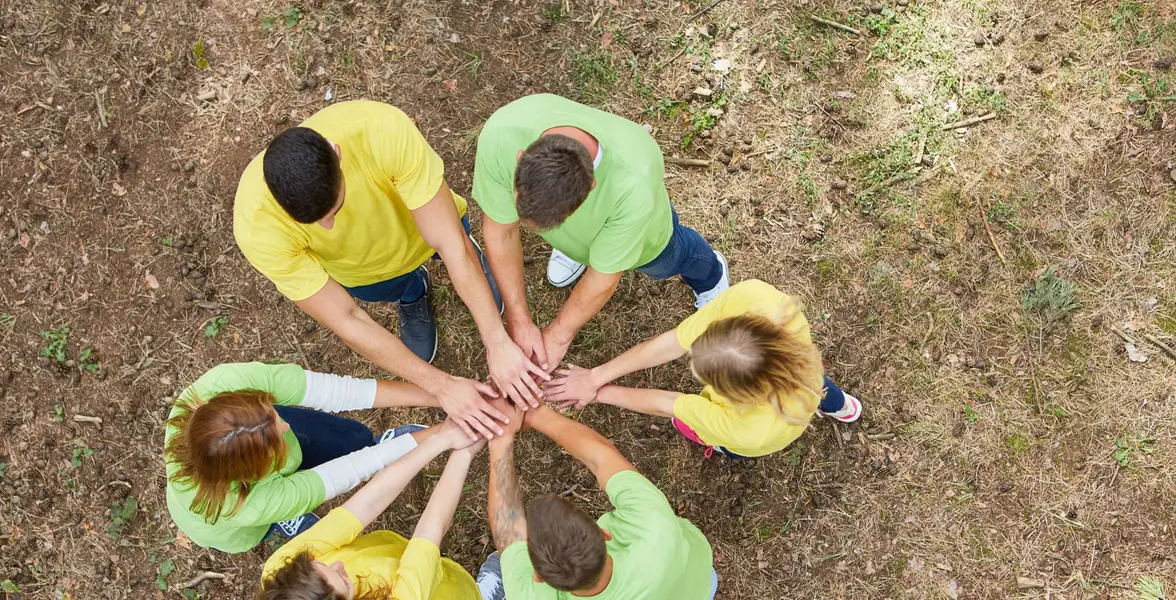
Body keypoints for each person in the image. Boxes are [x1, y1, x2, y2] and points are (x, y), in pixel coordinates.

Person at [234, 101, 548, 440]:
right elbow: (347, 318)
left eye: (335, 209)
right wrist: (440, 386)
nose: (328, 228)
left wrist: (497, 340)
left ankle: (472, 276)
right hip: (366, 274)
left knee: (463, 251)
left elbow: (450, 245)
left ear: (337, 154)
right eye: (314, 222)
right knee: (397, 286)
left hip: (426, 234)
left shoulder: (381, 130)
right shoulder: (256, 227)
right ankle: (413, 292)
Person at [473, 93, 731, 373]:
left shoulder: (633, 188)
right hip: (596, 219)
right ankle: (578, 249)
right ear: (521, 158)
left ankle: (711, 274)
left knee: (669, 259)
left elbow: (603, 278)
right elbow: (501, 233)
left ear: (591, 188)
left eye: (558, 222)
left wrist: (559, 335)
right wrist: (520, 320)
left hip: (648, 236)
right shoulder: (501, 134)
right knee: (589, 246)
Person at [251, 421, 505, 600]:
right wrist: (463, 453)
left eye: (321, 567)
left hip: (398, 559)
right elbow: (429, 533)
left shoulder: (282, 567)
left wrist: (442, 439)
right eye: (344, 584)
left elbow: (366, 502)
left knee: (430, 566)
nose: (338, 564)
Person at [486, 400, 715, 600]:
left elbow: (507, 530)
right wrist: (538, 414)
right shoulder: (654, 530)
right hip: (694, 582)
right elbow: (601, 457)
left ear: (538, 577)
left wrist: (500, 441)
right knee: (700, 591)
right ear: (604, 534)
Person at [544, 279, 862, 459]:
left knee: (692, 427)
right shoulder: (763, 303)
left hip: (751, 442)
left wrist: (599, 392)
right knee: (820, 386)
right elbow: (674, 342)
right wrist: (595, 376)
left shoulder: (744, 429)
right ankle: (843, 406)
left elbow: (669, 405)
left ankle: (713, 445)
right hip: (809, 380)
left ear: (742, 395)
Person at [165, 361, 442, 553]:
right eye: (276, 443)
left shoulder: (220, 386)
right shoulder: (249, 505)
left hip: (251, 457)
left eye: (270, 411)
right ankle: (282, 518)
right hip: (233, 524)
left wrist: (441, 393)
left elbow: (340, 392)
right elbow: (345, 472)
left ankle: (373, 447)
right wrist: (440, 434)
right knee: (274, 512)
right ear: (255, 474)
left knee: (354, 439)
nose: (285, 426)